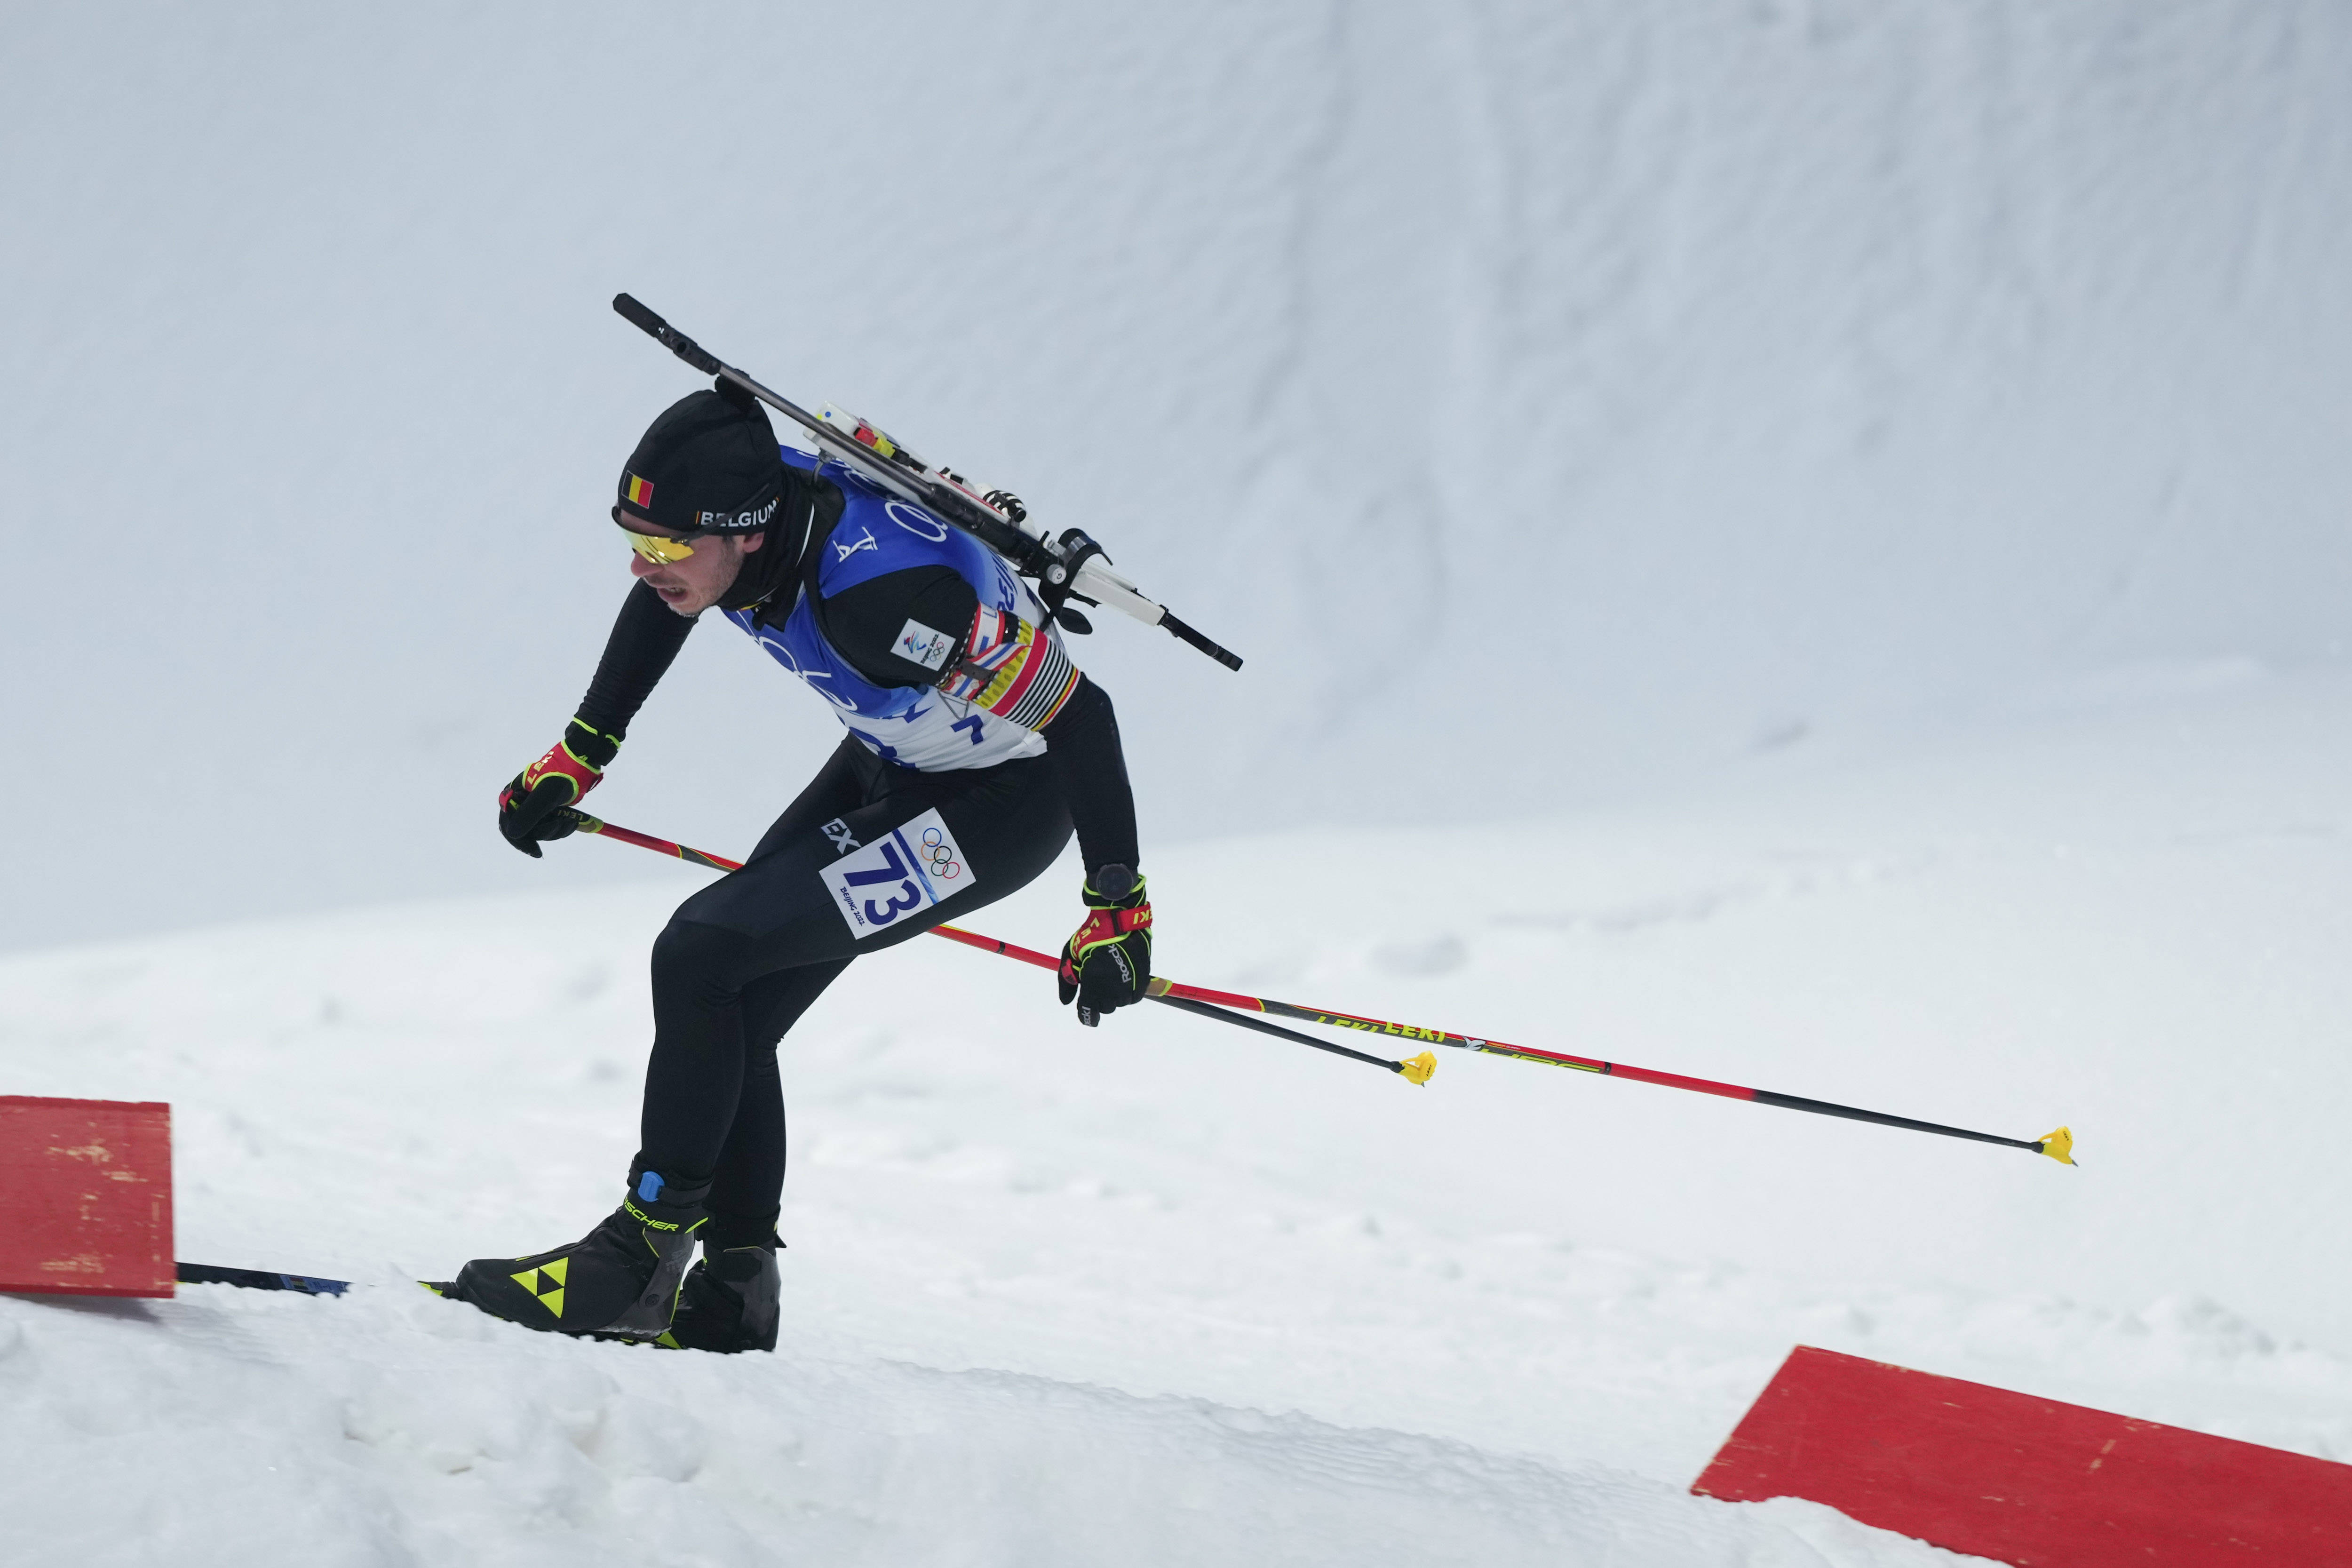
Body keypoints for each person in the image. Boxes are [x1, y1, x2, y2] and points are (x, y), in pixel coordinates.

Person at [447, 380, 1154, 1353]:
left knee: (701, 951)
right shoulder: (742, 522)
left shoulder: (891, 605)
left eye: (664, 545)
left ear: (742, 534)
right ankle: (737, 1285)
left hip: (994, 810)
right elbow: (664, 598)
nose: (644, 563)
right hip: (895, 758)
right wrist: (582, 749)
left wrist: (1116, 903)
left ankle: (637, 1256)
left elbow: (1083, 713)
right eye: (633, 538)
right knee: (734, 997)